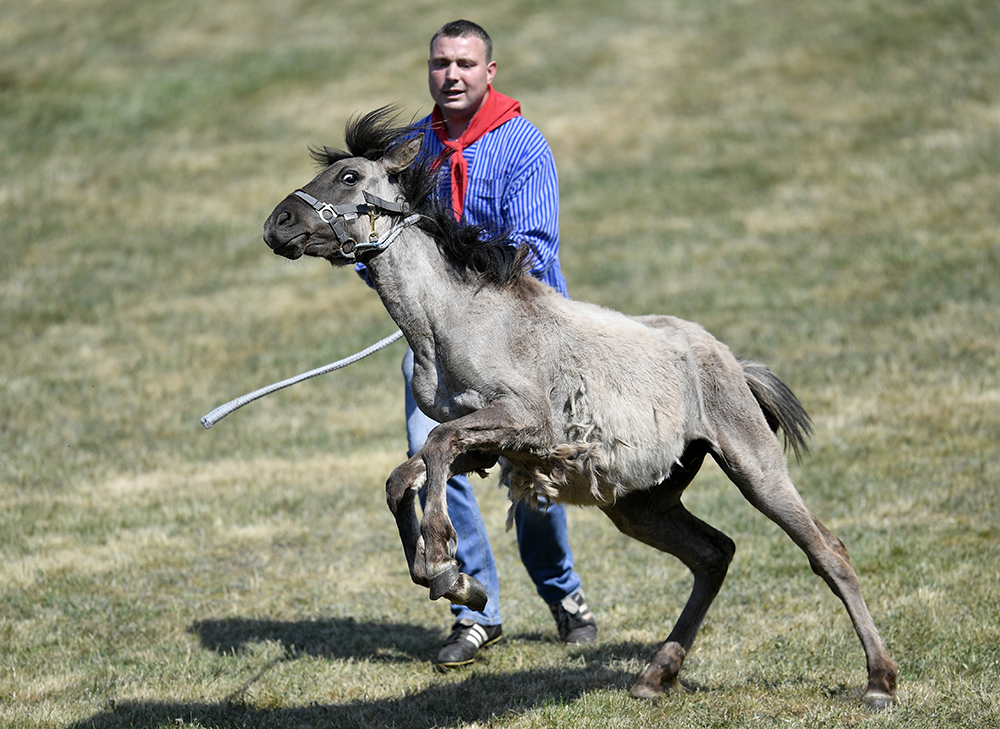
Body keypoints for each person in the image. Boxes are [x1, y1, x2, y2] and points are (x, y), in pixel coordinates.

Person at [368, 19, 598, 668]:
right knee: (431, 456)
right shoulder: (408, 149)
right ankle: (476, 611)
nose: (452, 75)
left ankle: (563, 591)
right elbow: (375, 236)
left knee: (532, 480)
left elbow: (534, 249)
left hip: (524, 345)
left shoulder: (522, 145)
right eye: (441, 63)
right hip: (438, 351)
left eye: (466, 63)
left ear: (489, 72)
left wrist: (452, 280)